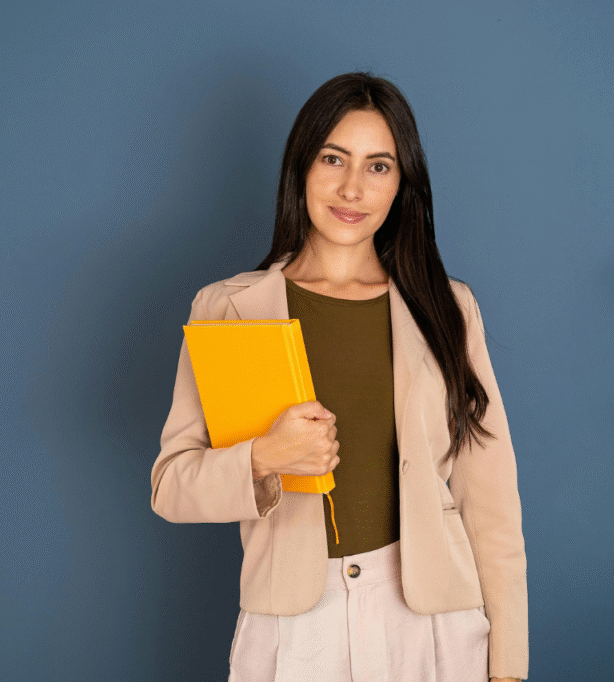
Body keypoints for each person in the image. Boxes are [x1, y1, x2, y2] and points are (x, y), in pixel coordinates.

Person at [151, 72, 527, 682]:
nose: (353, 188)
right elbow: (171, 485)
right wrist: (263, 456)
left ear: (403, 184)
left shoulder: (447, 309)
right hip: (294, 624)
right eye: (334, 159)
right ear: (301, 166)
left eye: (379, 166)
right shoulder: (230, 307)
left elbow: (491, 501)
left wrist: (508, 665)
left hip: (433, 621)